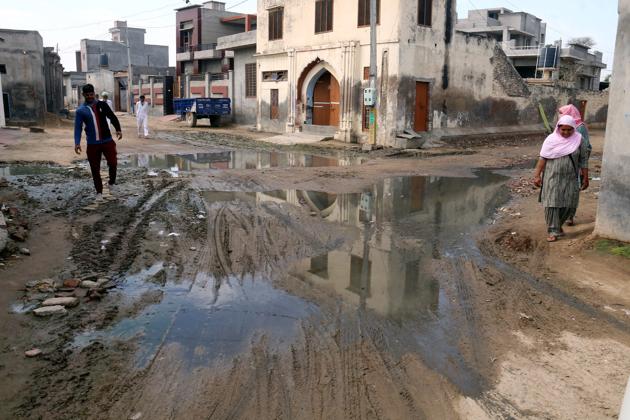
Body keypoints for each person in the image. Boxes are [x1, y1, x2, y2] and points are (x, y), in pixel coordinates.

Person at [533, 115, 589, 242]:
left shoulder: (579, 140)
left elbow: (584, 160)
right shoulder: (551, 140)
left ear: (574, 129)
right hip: (552, 176)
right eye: (563, 129)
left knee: (569, 204)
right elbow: (542, 158)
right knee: (552, 204)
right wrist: (537, 176)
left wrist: (585, 177)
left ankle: (557, 225)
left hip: (571, 177)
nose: (566, 132)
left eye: (569, 130)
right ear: (558, 128)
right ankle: (553, 231)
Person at [74, 84, 122, 201]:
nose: (90, 96)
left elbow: (112, 116)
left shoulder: (102, 105)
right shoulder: (81, 111)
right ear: (83, 95)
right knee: (95, 169)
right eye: (87, 95)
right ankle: (99, 192)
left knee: (113, 163)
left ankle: (111, 183)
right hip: (92, 144)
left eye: (91, 94)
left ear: (94, 93)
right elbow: (78, 128)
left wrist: (118, 129)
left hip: (107, 141)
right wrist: (77, 143)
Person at [558, 104, 592, 226]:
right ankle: (560, 215)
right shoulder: (560, 126)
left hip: (574, 165)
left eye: (563, 113)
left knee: (572, 192)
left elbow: (587, 147)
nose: (561, 116)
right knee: (560, 190)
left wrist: (583, 169)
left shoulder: (580, 127)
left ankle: (570, 216)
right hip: (560, 165)